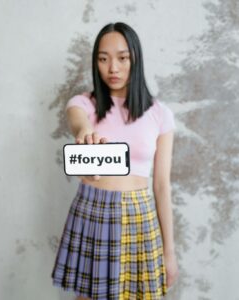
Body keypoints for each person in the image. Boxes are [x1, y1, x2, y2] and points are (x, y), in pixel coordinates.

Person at [51, 22, 179, 300]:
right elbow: (77, 118)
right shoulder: (84, 103)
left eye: (122, 58)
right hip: (91, 210)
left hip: (139, 215)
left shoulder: (160, 114)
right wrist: (84, 130)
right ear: (95, 62)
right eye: (103, 59)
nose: (113, 68)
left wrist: (169, 252)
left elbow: (161, 186)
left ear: (135, 58)